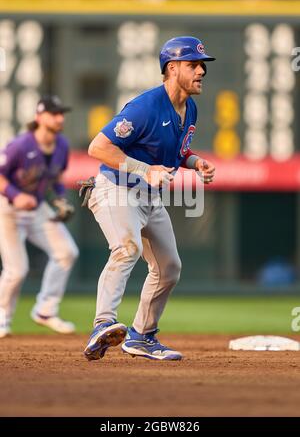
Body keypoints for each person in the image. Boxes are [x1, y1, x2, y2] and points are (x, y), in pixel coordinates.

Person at [83, 36, 216, 361]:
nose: (201, 71)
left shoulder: (190, 108)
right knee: (127, 248)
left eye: (202, 65)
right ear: (172, 68)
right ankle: (102, 324)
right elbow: (98, 147)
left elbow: (177, 151)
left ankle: (142, 336)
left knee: (169, 267)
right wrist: (144, 169)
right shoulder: (146, 106)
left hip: (149, 197)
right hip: (116, 188)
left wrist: (195, 162)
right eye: (193, 64)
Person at [0, 95, 79, 338]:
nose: (59, 117)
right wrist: (15, 194)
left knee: (66, 252)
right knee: (17, 269)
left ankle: (45, 310)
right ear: (39, 117)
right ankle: (2, 316)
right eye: (54, 113)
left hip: (36, 208)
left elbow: (55, 179)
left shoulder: (62, 145)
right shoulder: (20, 145)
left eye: (61, 113)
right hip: (8, 208)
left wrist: (60, 198)